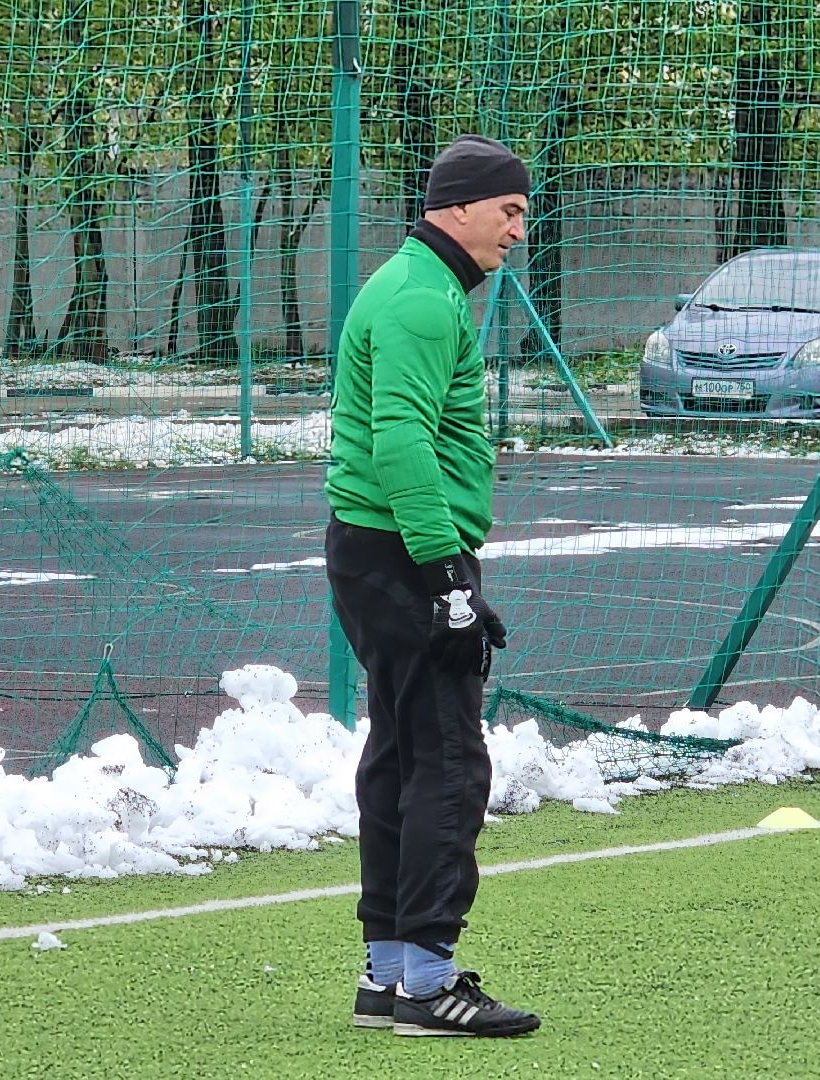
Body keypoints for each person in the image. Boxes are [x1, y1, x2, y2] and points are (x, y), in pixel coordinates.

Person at [324, 135, 542, 1039]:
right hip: (408, 556)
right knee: (448, 763)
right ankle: (426, 982)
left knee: (404, 757)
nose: (518, 233)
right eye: (510, 212)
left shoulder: (419, 285)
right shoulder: (420, 299)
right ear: (459, 208)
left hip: (378, 552)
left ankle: (389, 975)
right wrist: (449, 573)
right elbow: (400, 441)